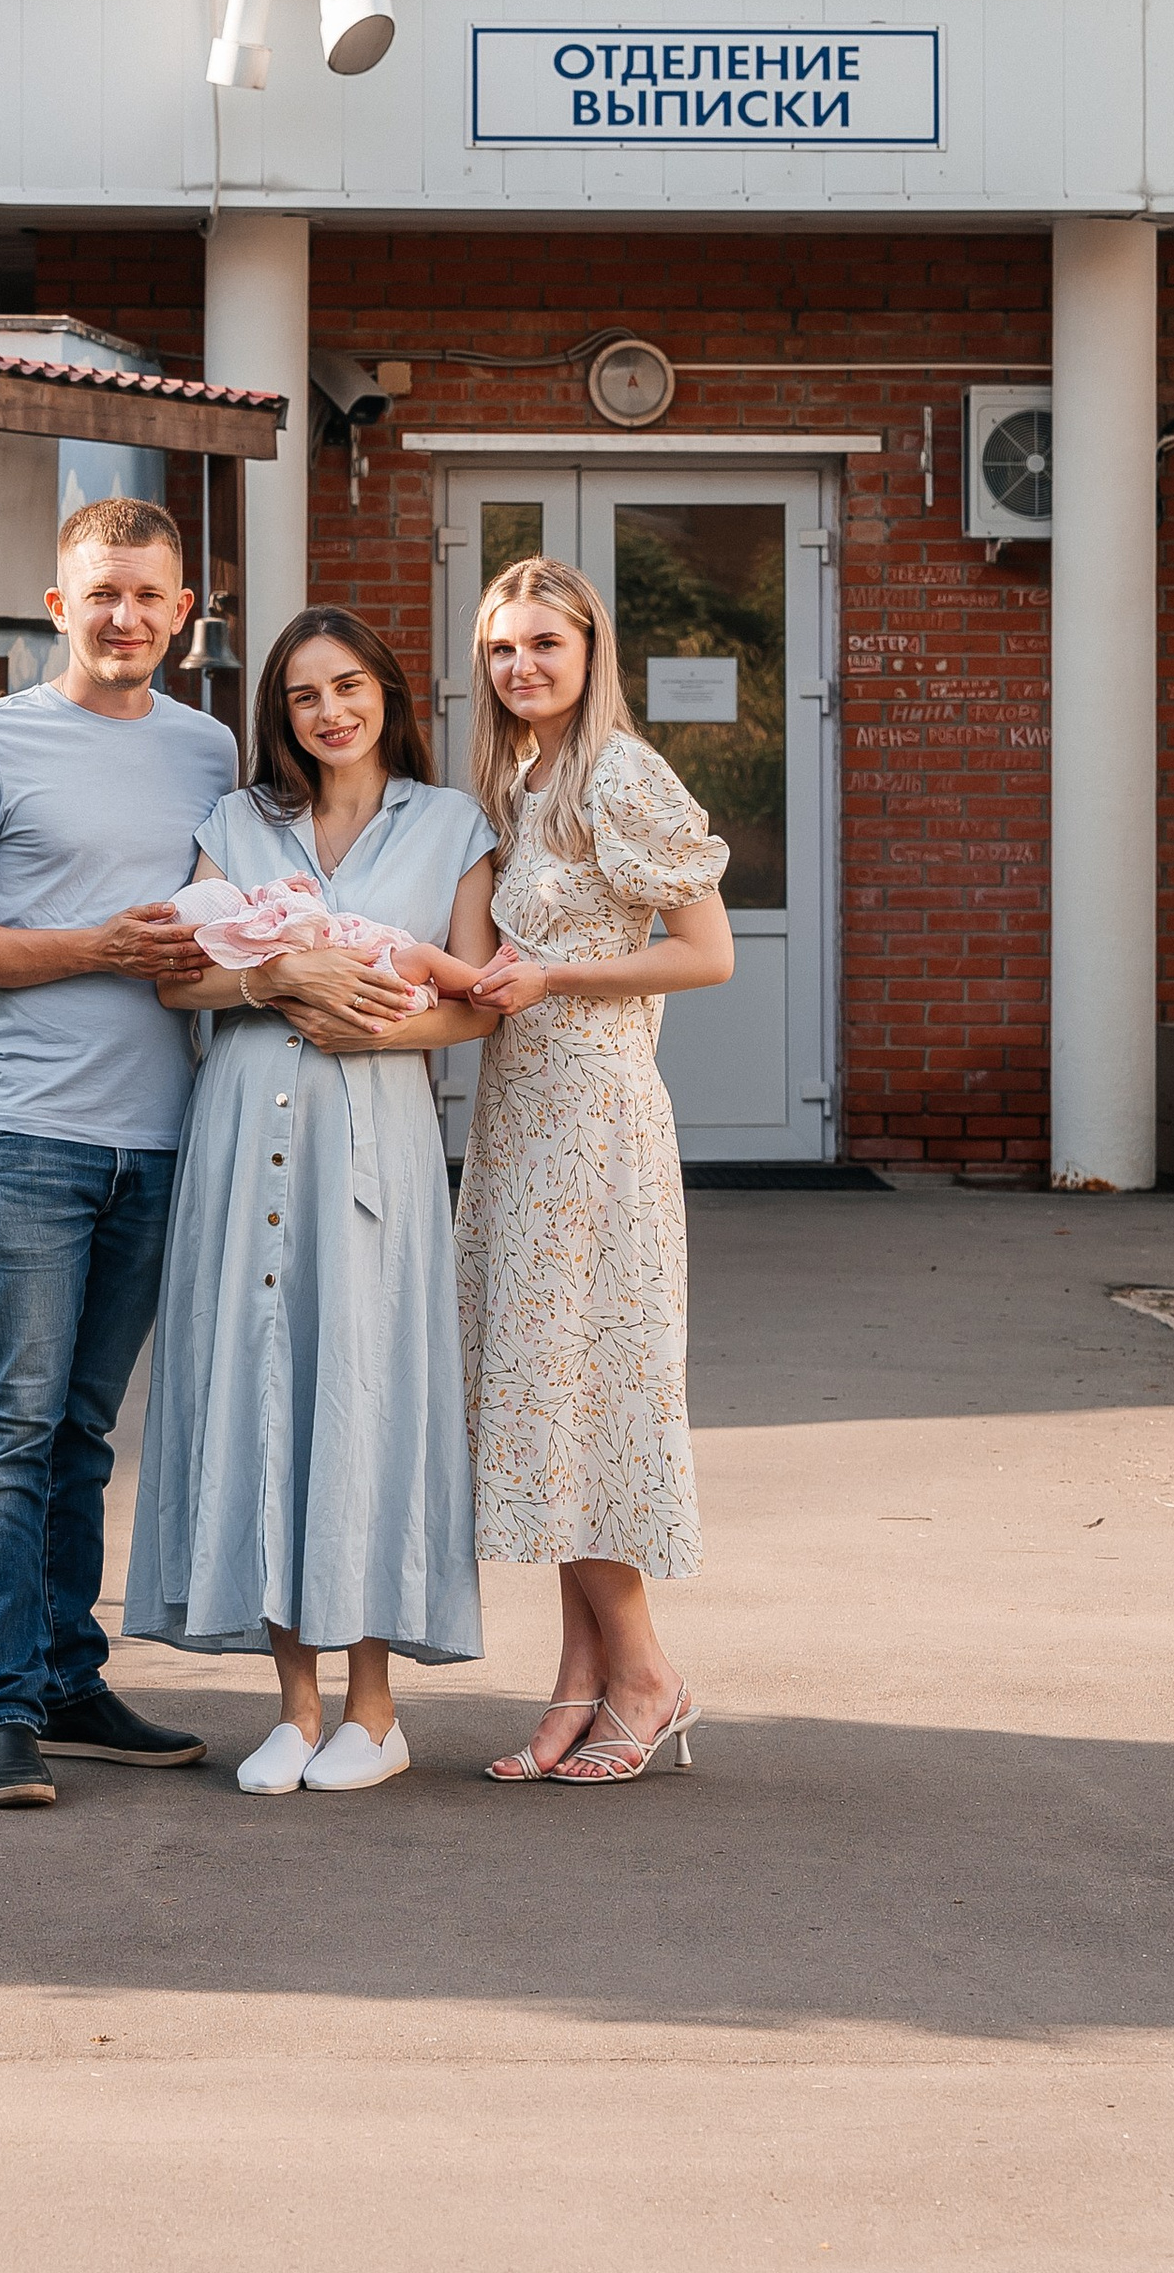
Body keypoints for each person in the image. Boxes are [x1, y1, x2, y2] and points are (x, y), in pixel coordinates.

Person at [0, 497, 236, 1810]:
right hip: (28, 1138)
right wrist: (94, 947)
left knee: (84, 1431)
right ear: (59, 606)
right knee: (14, 1427)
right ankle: (3, 1713)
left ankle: (70, 1680)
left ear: (182, 613)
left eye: (149, 596)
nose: (125, 616)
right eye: (102, 593)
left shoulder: (210, 749)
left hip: (161, 1140)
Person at [122, 607, 502, 1793]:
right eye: (303, 696)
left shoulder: (451, 826)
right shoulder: (237, 823)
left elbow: (477, 1006)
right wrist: (276, 977)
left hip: (373, 1147)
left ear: (386, 692)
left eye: (347, 687)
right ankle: (293, 1707)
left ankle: (373, 1715)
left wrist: (371, 1028)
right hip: (244, 1146)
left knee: (364, 1398)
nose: (329, 711)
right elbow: (180, 983)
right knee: (262, 1395)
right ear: (278, 715)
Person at [455, 555, 734, 1789]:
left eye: (543, 645)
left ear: (587, 652)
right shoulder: (517, 780)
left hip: (597, 1125)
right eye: (502, 647)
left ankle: (649, 1674)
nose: (521, 666)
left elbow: (707, 954)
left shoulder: (623, 773)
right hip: (520, 1117)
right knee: (548, 1398)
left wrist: (557, 976)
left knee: (589, 1396)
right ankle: (582, 1677)